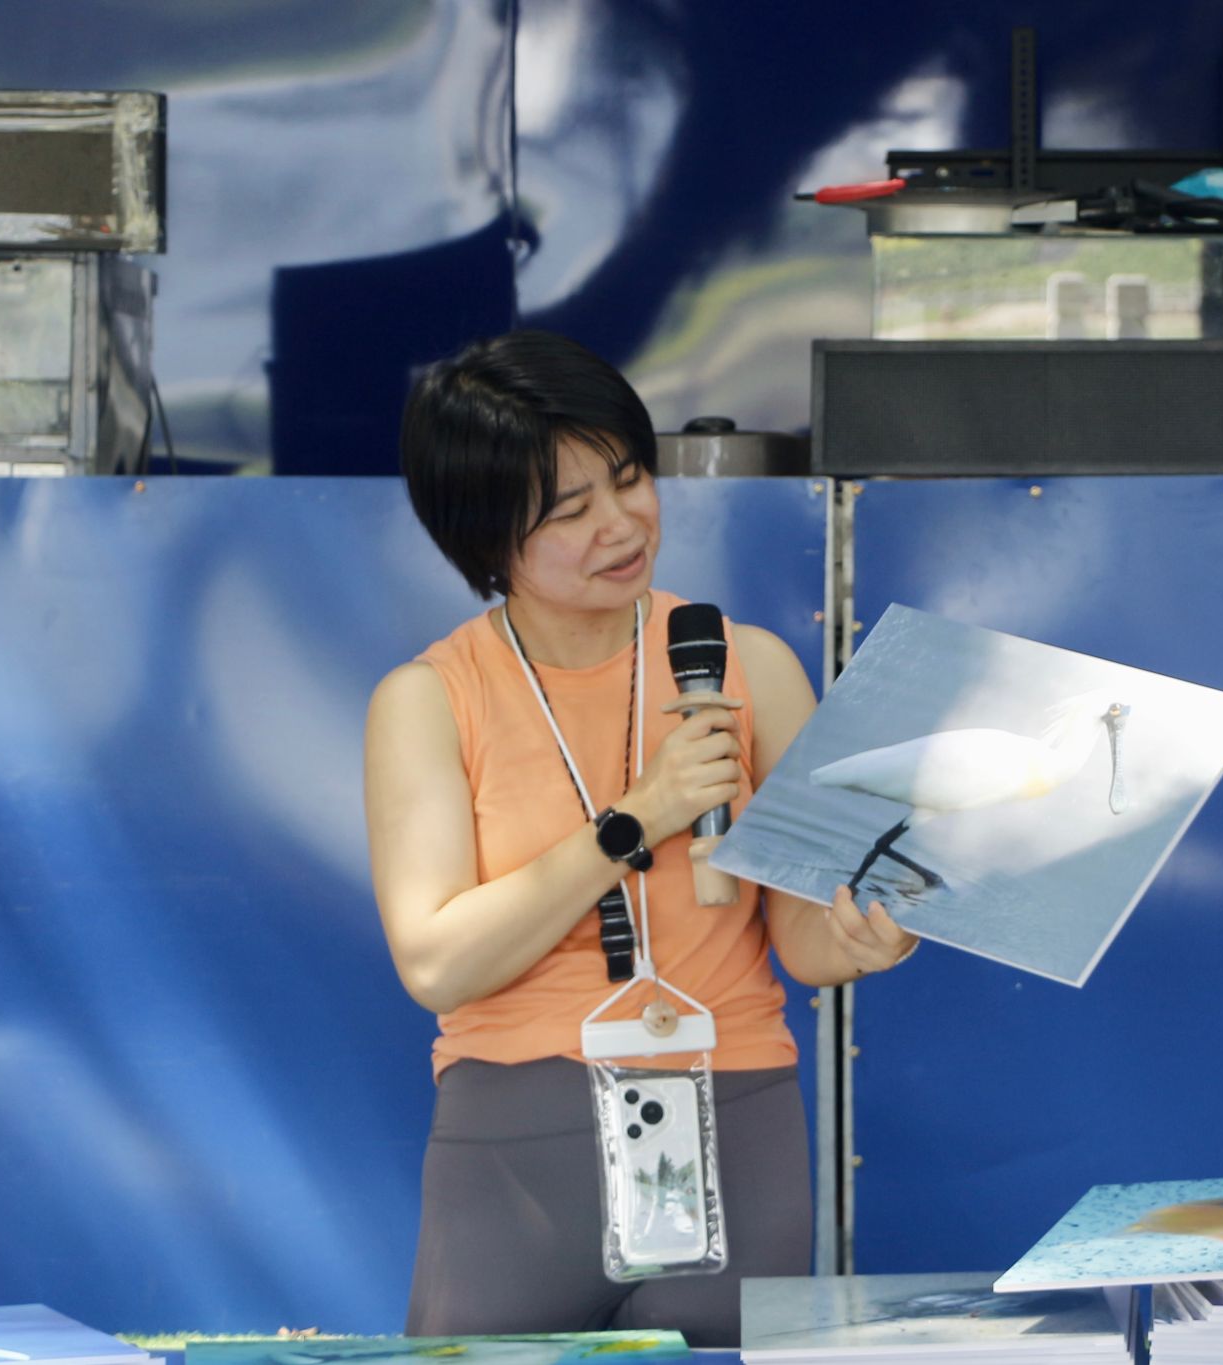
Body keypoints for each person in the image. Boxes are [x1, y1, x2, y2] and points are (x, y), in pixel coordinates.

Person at [365, 330, 918, 1345]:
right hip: (515, 1143)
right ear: (487, 537)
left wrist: (867, 935)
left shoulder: (751, 666)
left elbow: (803, 938)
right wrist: (634, 820)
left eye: (628, 479)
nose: (620, 525)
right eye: (570, 511)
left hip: (733, 1111)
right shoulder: (430, 699)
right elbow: (436, 961)